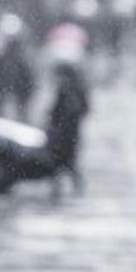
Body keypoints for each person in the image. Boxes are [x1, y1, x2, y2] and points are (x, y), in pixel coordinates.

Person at [47, 63, 89, 197]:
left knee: (67, 161)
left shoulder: (75, 90)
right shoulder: (64, 90)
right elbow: (56, 110)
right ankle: (60, 188)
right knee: (61, 161)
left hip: (70, 132)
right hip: (63, 132)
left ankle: (75, 186)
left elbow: (84, 109)